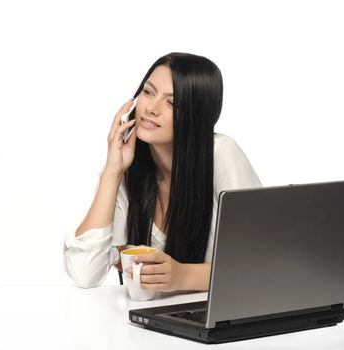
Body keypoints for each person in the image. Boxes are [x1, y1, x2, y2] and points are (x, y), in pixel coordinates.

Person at [63, 52, 261, 291]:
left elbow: (259, 264)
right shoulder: (126, 169)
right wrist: (112, 172)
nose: (151, 108)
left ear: (197, 115)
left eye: (172, 102)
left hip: (219, 317)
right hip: (147, 321)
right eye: (148, 92)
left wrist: (183, 275)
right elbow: (85, 273)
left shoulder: (222, 154)